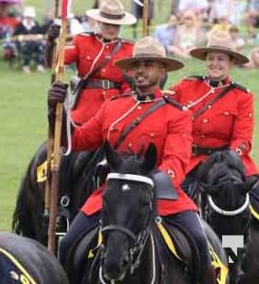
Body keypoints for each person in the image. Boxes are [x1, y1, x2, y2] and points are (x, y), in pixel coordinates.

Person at [48, 37, 216, 284]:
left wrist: (149, 182)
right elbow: (79, 140)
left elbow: (176, 162)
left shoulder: (176, 113)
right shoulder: (113, 106)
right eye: (136, 64)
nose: (140, 70)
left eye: (148, 64)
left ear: (162, 70)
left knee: (200, 243)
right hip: (114, 194)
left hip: (161, 195)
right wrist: (55, 112)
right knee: (69, 244)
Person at [170, 31, 259, 200]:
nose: (215, 63)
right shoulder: (186, 86)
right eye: (211, 58)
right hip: (191, 162)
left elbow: (243, 139)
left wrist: (228, 159)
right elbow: (160, 104)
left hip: (227, 164)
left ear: (231, 62)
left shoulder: (242, 96)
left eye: (221, 59)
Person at [46, 0, 137, 125]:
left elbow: (129, 85)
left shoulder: (129, 49)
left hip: (114, 110)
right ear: (98, 22)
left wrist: (125, 107)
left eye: (115, 26)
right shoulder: (82, 41)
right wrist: (51, 42)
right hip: (84, 110)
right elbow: (55, 62)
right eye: (107, 24)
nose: (111, 29)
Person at [13, 6, 45, 73]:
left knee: (42, 46)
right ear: (25, 17)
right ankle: (25, 65)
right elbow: (15, 36)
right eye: (28, 17)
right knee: (27, 47)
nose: (29, 19)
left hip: (35, 43)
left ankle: (40, 65)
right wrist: (24, 37)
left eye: (31, 18)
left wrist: (35, 37)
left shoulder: (35, 24)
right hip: (23, 44)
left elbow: (40, 34)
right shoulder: (20, 25)